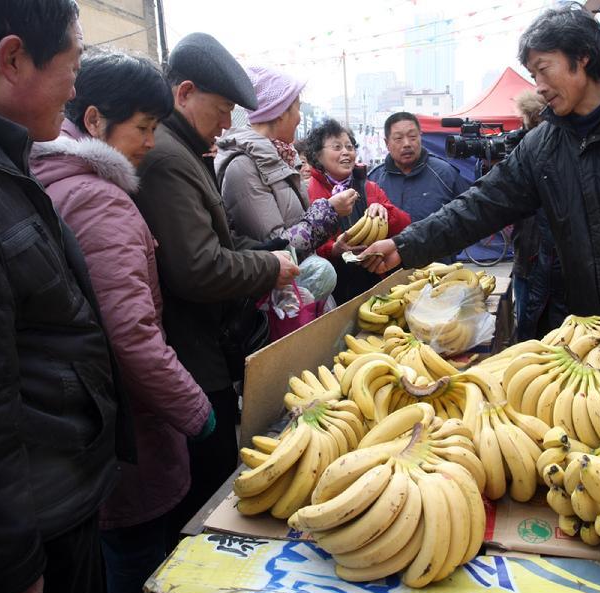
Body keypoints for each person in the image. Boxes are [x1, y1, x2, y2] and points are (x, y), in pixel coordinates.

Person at [362, 3, 600, 360]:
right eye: (533, 75)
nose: (538, 85)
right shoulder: (541, 147)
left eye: (543, 70)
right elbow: (478, 206)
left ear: (582, 57)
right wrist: (404, 244)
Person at [0, 2, 134, 593]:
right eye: (72, 59)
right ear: (13, 57)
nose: (75, 86)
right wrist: (13, 570)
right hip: (30, 527)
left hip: (56, 494)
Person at [29, 50, 213, 593]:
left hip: (79, 432)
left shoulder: (49, 179)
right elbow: (131, 336)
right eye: (143, 128)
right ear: (93, 121)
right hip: (128, 434)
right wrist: (195, 410)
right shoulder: (98, 201)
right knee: (134, 566)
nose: (150, 143)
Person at [132, 33, 299, 542]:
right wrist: (268, 267)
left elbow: (219, 236)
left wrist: (267, 249)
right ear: (184, 93)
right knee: (207, 500)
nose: (228, 124)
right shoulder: (165, 157)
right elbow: (198, 268)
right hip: (191, 357)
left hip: (204, 350)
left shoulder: (184, 149)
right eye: (222, 108)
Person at [215, 66, 355, 301]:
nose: (300, 117)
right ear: (280, 112)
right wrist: (328, 211)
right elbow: (276, 248)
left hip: (300, 290)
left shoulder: (282, 158)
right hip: (278, 303)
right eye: (297, 108)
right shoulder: (243, 167)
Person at [305, 119, 411, 303]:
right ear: (318, 156)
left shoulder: (370, 188)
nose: (346, 152)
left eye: (349, 146)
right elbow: (305, 246)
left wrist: (385, 210)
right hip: (331, 289)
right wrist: (333, 249)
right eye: (337, 147)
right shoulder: (308, 192)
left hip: (374, 279)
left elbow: (405, 225)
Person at [510, 89, 567, 341]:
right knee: (529, 327)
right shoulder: (523, 157)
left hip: (557, 268)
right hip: (527, 260)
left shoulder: (564, 159)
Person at [368, 111, 470, 223]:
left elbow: (469, 217)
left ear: (420, 137)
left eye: (412, 137)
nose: (407, 144)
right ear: (386, 143)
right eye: (398, 138)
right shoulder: (374, 180)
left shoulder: (445, 173)